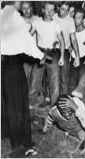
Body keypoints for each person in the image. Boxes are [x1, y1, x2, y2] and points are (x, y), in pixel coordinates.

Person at [1, 1, 47, 156]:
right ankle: (19, 145)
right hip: (12, 67)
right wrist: (41, 55)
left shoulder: (4, 16)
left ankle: (20, 140)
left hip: (9, 66)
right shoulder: (13, 16)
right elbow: (26, 41)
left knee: (16, 104)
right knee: (17, 105)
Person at [30, 2, 65, 107]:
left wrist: (62, 57)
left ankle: (55, 107)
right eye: (47, 9)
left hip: (52, 53)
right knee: (34, 79)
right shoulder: (36, 22)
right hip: (39, 52)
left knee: (54, 81)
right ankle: (30, 106)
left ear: (54, 11)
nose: (49, 12)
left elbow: (62, 41)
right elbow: (28, 36)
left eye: (52, 10)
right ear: (43, 10)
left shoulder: (56, 24)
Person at [54, 2, 80, 95]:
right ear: (58, 8)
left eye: (67, 10)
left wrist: (77, 56)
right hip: (52, 50)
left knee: (64, 77)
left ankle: (64, 100)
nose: (64, 12)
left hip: (65, 50)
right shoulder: (53, 17)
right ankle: (49, 99)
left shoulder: (70, 20)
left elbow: (73, 39)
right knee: (53, 77)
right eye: (62, 9)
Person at [21, 1, 38, 86]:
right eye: (24, 8)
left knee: (35, 82)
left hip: (36, 55)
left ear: (31, 8)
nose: (26, 10)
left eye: (28, 8)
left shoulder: (37, 19)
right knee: (24, 80)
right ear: (21, 9)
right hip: (24, 56)